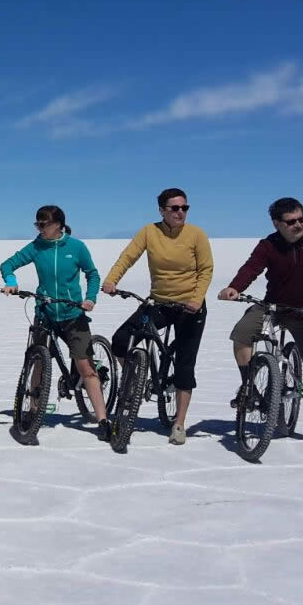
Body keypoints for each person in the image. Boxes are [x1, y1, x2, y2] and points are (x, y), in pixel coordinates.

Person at [218, 197, 303, 449]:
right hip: (273, 307)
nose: (298, 225)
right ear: (277, 224)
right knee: (242, 333)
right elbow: (251, 267)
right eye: (291, 222)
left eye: (301, 219)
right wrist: (234, 288)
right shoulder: (269, 244)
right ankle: (250, 387)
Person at [102, 187, 213, 445]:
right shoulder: (149, 232)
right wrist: (111, 280)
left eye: (184, 208)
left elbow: (206, 269)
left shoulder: (196, 234)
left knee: (185, 365)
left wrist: (196, 299)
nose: (180, 212)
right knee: (121, 339)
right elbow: (128, 257)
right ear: (162, 210)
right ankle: (136, 379)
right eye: (174, 208)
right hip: (159, 304)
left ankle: (179, 423)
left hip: (190, 307)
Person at [0, 205, 108, 439]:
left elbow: (92, 274)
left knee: (86, 368)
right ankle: (33, 412)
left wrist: (90, 298)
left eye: (44, 225)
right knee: (38, 360)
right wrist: (11, 280)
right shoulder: (36, 247)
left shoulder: (76, 247)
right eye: (37, 225)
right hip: (45, 312)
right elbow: (7, 265)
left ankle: (102, 420)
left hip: (73, 313)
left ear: (58, 224)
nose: (40, 229)